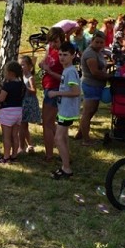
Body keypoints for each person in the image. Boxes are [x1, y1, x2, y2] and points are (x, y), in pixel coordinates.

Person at [47, 42, 80, 180]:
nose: (62, 57)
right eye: (60, 54)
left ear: (73, 56)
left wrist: (57, 93)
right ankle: (65, 165)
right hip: (64, 109)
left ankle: (67, 169)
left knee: (58, 138)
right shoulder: (67, 70)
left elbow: (76, 92)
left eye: (65, 55)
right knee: (63, 137)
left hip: (67, 111)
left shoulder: (71, 71)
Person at [76, 31, 110, 146]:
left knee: (91, 111)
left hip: (96, 86)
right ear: (92, 41)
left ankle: (80, 133)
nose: (100, 44)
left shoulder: (97, 52)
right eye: (97, 42)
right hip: (91, 85)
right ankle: (86, 140)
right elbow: (95, 72)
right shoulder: (90, 53)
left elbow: (100, 65)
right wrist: (110, 77)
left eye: (102, 42)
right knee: (87, 112)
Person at [39, 27, 65, 163]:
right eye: (51, 41)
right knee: (50, 123)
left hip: (55, 88)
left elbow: (65, 77)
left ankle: (49, 154)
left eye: (56, 41)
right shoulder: (51, 48)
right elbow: (45, 61)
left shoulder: (64, 53)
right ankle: (62, 151)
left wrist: (49, 71)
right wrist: (42, 64)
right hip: (48, 86)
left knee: (47, 123)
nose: (53, 44)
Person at [0, 61, 25, 164]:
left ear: (11, 73)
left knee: (6, 136)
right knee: (14, 135)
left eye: (5, 72)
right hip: (18, 111)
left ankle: (6, 156)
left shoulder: (7, 85)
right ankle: (14, 155)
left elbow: (1, 99)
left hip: (7, 111)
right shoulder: (22, 84)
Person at [18, 55, 39, 156]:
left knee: (23, 125)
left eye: (23, 65)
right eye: (20, 65)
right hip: (22, 102)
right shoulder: (20, 77)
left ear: (29, 66)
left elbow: (34, 91)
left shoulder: (30, 77)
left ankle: (21, 147)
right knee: (23, 126)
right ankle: (29, 144)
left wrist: (26, 88)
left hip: (28, 103)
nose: (21, 67)